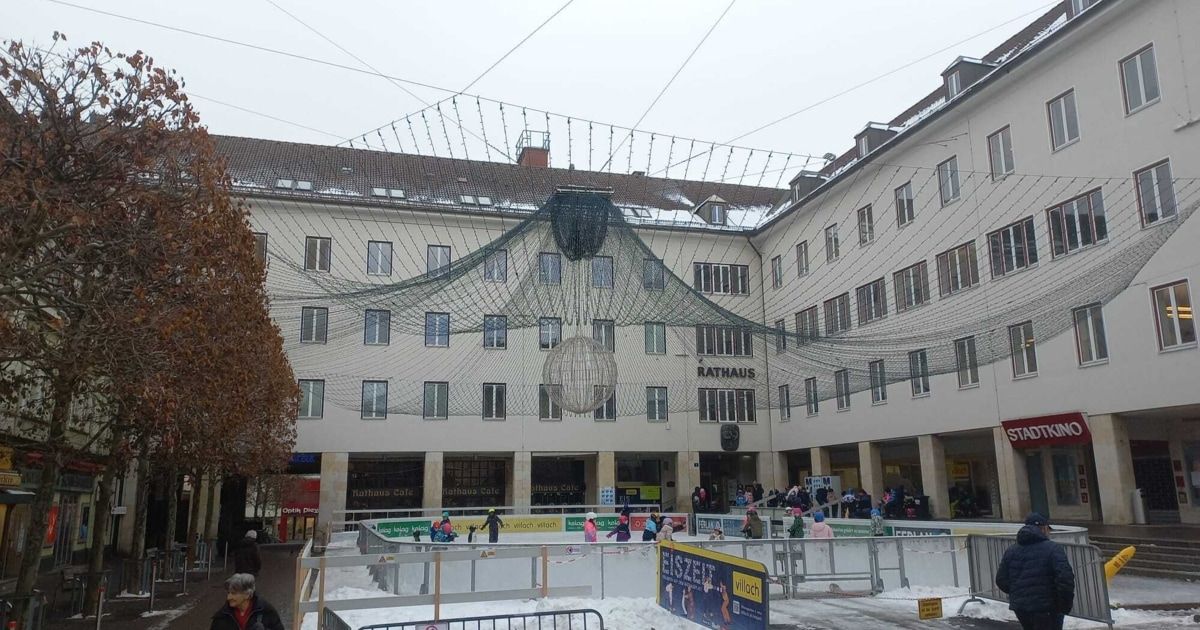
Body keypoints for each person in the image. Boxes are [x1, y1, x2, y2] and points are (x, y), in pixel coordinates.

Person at [995, 513, 1075, 630]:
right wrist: (1064, 605)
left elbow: (1001, 579)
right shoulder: (1053, 549)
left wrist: (1017, 592)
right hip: (1047, 608)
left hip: (1021, 608)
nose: (1049, 533)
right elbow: (1065, 579)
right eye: (1048, 529)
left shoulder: (1012, 550)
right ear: (1043, 528)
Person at [210, 573, 284, 630]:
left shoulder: (266, 611)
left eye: (234, 593)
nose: (229, 597)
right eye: (228, 593)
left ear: (247, 595)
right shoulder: (222, 617)